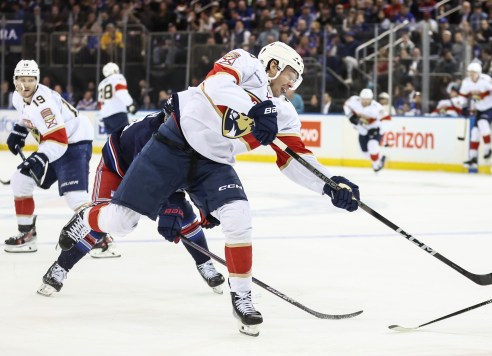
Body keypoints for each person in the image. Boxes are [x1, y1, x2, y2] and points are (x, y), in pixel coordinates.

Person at [54, 42, 359, 337]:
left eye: (296, 81)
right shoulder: (246, 63)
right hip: (172, 143)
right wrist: (258, 108)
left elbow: (296, 158)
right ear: (274, 65)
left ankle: (242, 299)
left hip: (211, 162)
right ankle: (86, 218)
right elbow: (214, 87)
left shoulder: (284, 113)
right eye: (290, 76)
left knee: (238, 216)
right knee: (121, 222)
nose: (291, 85)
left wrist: (330, 184)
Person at [38, 109, 225, 295]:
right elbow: (146, 179)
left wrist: (203, 206)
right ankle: (60, 267)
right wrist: (171, 206)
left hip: (148, 173)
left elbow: (188, 175)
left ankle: (205, 263)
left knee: (186, 217)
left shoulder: (190, 135)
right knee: (103, 221)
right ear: (166, 117)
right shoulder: (148, 134)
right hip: (116, 169)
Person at [4, 59, 93, 253]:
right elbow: (27, 116)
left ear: (36, 80)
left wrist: (40, 157)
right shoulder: (17, 97)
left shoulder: (44, 105)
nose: (24, 85)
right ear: (14, 80)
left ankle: (100, 239)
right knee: (20, 181)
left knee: (75, 197)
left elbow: (59, 139)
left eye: (29, 80)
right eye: (20, 79)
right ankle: (27, 234)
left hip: (74, 142)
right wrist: (19, 130)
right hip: (54, 144)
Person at [458, 62, 492, 166]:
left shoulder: (486, 80)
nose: (471, 74)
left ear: (479, 73)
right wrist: (463, 106)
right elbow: (462, 96)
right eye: (470, 72)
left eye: (474, 72)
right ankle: (473, 157)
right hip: (481, 108)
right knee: (475, 132)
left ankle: (488, 149)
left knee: (482, 122)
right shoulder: (466, 82)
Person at [343, 88, 391, 172]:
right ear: (360, 98)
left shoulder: (377, 107)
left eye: (367, 100)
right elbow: (346, 105)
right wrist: (350, 116)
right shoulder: (354, 100)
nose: (365, 102)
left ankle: (376, 166)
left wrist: (380, 131)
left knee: (372, 146)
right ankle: (379, 159)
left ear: (371, 99)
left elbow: (387, 119)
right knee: (365, 152)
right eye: (363, 100)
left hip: (374, 129)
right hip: (362, 130)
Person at [97, 62, 137, 134]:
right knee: (123, 137)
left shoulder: (101, 84)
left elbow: (100, 104)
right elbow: (121, 92)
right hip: (117, 113)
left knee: (111, 140)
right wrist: (131, 104)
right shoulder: (117, 77)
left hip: (105, 116)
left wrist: (103, 113)